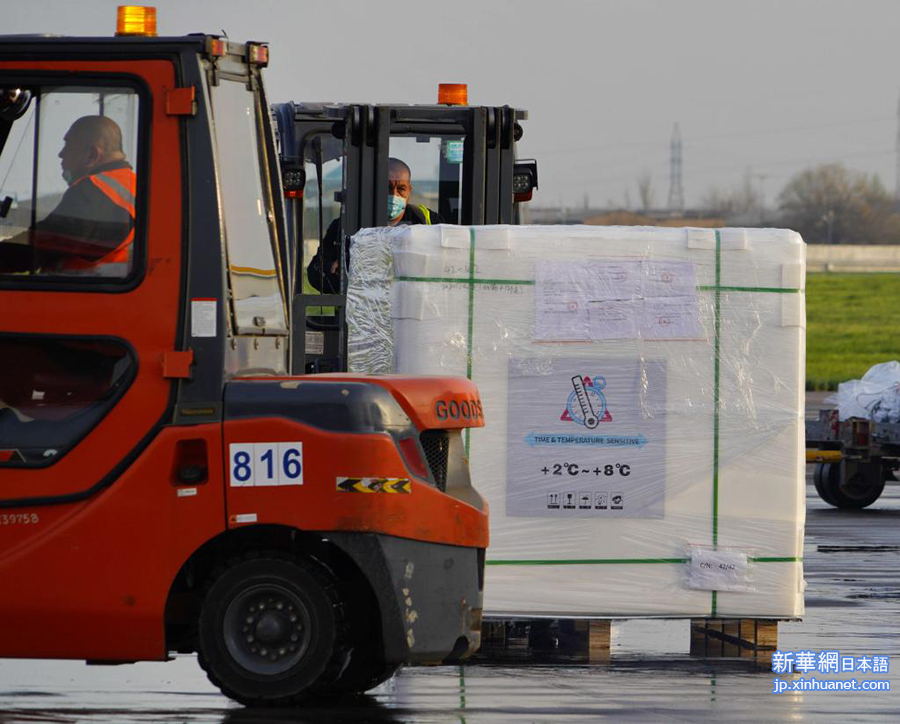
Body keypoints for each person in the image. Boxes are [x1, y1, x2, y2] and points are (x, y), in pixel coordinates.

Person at [0, 115, 136, 276]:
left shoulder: (94, 191)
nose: (61, 154)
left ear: (92, 155)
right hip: (105, 287)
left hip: (83, 289)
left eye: (68, 146)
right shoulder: (133, 186)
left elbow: (41, 245)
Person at [306, 157, 441, 293]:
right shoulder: (347, 224)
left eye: (401, 189)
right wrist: (341, 271)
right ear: (375, 188)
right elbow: (315, 272)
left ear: (409, 191)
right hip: (361, 304)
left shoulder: (428, 221)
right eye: (387, 188)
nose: (394, 195)